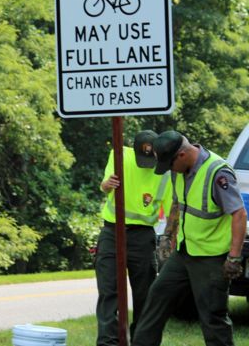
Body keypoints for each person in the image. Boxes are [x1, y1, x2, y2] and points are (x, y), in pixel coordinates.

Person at [132, 130, 247, 346]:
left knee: (213, 317)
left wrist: (234, 258)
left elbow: (239, 214)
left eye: (169, 164)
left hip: (211, 259)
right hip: (184, 253)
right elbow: (178, 204)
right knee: (156, 297)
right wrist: (167, 237)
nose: (168, 170)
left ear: (182, 155)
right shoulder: (178, 170)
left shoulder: (217, 173)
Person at [95, 130, 172, 345]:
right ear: (134, 149)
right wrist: (106, 185)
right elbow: (104, 186)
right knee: (108, 290)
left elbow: (171, 210)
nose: (146, 163)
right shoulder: (119, 154)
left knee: (144, 294)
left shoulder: (165, 172)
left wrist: (169, 240)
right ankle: (108, 342)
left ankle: (141, 340)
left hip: (142, 236)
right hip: (112, 231)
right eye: (143, 158)